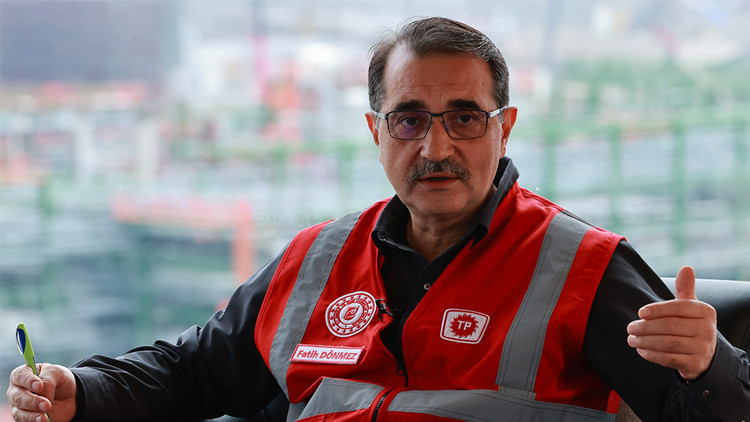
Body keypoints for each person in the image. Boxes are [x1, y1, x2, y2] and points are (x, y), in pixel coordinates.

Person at [7, 17, 750, 422]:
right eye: (409, 119)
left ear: (505, 128)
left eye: (465, 117)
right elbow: (195, 371)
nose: (436, 147)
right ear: (375, 131)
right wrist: (82, 390)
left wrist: (707, 364)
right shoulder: (316, 262)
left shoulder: (582, 268)